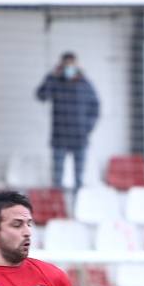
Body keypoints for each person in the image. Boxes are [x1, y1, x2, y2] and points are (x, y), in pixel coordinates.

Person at [35, 52, 100, 191]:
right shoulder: (55, 82)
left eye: (72, 65)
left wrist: (87, 127)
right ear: (62, 65)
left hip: (80, 138)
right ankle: (57, 206)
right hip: (60, 138)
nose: (69, 68)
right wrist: (51, 76)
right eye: (67, 65)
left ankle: (78, 207)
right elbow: (41, 96)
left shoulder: (85, 83)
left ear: (77, 65)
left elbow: (95, 107)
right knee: (57, 177)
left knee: (79, 178)